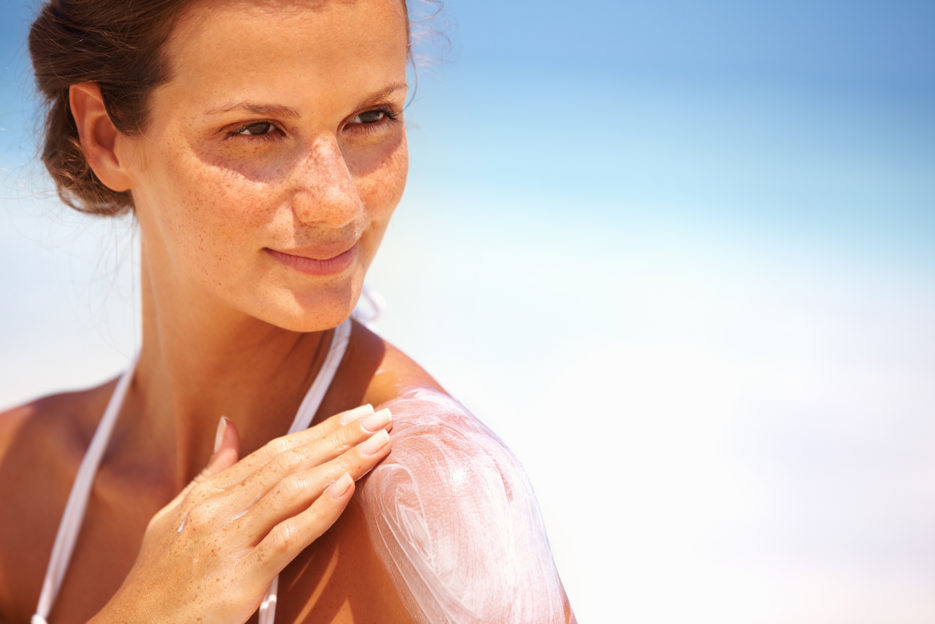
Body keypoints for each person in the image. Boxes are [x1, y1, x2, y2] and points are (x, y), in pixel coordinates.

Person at [0, 0, 576, 622]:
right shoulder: (17, 477)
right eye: (257, 129)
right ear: (106, 138)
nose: (338, 204)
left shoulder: (441, 503)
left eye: (372, 116)